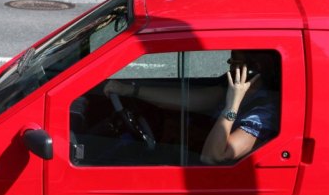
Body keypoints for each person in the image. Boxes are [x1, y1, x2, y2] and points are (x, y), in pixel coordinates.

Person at [103, 50, 279, 165]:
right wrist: (129, 90)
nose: (230, 70)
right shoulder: (227, 92)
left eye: (235, 64)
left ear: (253, 71)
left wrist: (231, 106)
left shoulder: (263, 114)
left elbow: (213, 156)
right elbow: (184, 99)